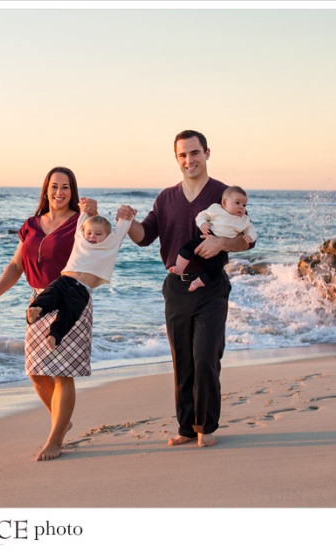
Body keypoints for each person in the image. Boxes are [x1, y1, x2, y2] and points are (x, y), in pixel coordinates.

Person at [117, 130, 254, 448]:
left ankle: (206, 426)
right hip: (176, 289)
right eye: (182, 155)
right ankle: (186, 428)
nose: (189, 160)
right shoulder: (165, 198)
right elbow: (144, 236)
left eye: (195, 153)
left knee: (205, 356)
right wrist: (126, 222)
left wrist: (221, 241)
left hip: (211, 287)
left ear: (207, 153)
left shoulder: (225, 194)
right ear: (176, 158)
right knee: (183, 360)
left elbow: (248, 239)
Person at [0, 167, 99, 461]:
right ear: (46, 190)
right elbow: (16, 265)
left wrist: (94, 214)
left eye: (66, 188)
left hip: (70, 298)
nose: (59, 193)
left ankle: (55, 438)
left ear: (73, 192)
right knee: (36, 372)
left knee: (62, 373)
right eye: (54, 187)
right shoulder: (31, 224)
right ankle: (62, 419)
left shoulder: (79, 222)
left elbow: (100, 240)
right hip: (38, 300)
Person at [26, 209, 132, 350]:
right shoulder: (80, 240)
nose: (92, 236)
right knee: (50, 294)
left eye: (98, 234)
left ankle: (54, 336)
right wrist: (83, 210)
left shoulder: (111, 244)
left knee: (69, 314)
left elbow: (121, 231)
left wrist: (127, 218)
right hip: (65, 280)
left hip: (82, 290)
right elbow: (82, 221)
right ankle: (36, 310)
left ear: (108, 236)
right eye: (89, 233)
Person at [169, 186, 257, 292]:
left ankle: (198, 282)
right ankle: (179, 267)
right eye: (237, 203)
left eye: (244, 205)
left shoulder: (244, 220)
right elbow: (202, 215)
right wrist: (202, 224)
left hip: (222, 248)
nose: (241, 207)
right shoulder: (216, 209)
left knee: (215, 269)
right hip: (208, 235)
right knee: (188, 247)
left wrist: (250, 236)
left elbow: (251, 230)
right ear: (224, 203)